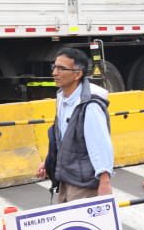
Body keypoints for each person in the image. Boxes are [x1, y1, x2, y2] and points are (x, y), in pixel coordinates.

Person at [38, 46, 113, 203]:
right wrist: (48, 161)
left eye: (61, 68)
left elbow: (100, 144)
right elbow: (62, 137)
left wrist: (104, 181)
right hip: (66, 177)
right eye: (54, 67)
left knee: (81, 227)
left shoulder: (89, 105)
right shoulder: (62, 97)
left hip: (83, 183)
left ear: (77, 74)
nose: (54, 73)